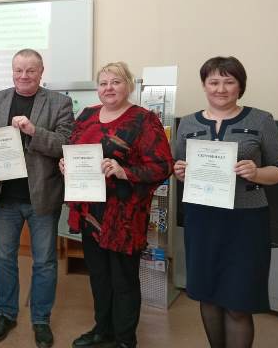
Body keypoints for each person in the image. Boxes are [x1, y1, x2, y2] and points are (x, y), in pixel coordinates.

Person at [173, 56, 278, 348]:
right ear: (204, 85)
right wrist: (179, 171)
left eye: (229, 82)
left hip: (245, 223)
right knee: (208, 297)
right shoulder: (188, 123)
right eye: (213, 82)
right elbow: (178, 165)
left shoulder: (260, 119)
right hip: (202, 220)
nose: (221, 89)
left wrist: (257, 172)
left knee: (238, 303)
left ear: (240, 86)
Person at [60, 62, 173, 348]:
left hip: (124, 215)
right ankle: (103, 331)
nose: (108, 88)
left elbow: (163, 166)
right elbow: (74, 149)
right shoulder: (87, 115)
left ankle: (124, 339)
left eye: (116, 82)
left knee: (123, 280)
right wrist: (66, 164)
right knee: (98, 277)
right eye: (103, 83)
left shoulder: (144, 120)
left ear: (128, 86)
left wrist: (125, 171)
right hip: (90, 211)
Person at [0, 48, 74, 348]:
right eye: (18, 70)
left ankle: (41, 319)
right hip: (5, 196)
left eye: (30, 70)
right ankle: (6, 314)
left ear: (41, 72)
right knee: (3, 259)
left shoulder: (59, 102)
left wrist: (34, 131)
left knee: (44, 262)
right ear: (12, 71)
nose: (23, 76)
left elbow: (65, 144)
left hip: (42, 197)